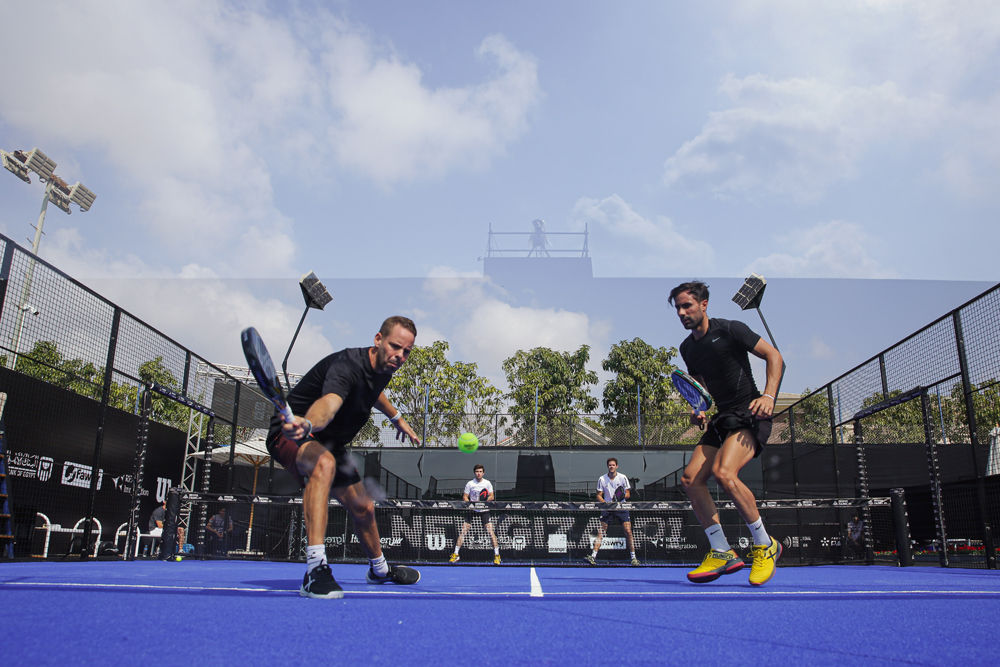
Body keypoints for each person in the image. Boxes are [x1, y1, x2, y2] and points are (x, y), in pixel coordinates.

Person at [266, 316, 422, 599]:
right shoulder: (346, 365)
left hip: (330, 442)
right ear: (378, 340)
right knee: (323, 464)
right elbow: (329, 404)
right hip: (296, 433)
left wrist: (397, 418)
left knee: (364, 507)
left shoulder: (385, 366)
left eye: (406, 351)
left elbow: (375, 392)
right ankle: (315, 571)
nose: (400, 356)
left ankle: (379, 570)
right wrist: (309, 424)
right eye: (395, 346)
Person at [670, 281, 784, 586]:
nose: (682, 312)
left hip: (750, 414)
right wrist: (700, 409)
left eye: (687, 306)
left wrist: (769, 397)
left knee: (724, 472)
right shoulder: (687, 348)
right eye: (678, 308)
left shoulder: (731, 329)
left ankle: (765, 545)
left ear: (703, 305)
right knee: (691, 480)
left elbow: (775, 357)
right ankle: (722, 550)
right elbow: (701, 388)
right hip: (722, 419)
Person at [585, 458, 640, 566]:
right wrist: (607, 503)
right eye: (610, 465)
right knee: (601, 532)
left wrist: (621, 497)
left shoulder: (623, 478)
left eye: (613, 465)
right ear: (608, 467)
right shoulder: (602, 479)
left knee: (628, 531)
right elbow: (598, 496)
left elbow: (628, 494)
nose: (611, 467)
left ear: (617, 466)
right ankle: (593, 557)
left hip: (621, 507)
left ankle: (634, 558)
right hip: (608, 508)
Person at [450, 464, 501, 564]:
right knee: (463, 531)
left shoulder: (487, 483)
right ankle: (456, 554)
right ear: (475, 473)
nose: (479, 473)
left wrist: (483, 501)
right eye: (477, 471)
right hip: (472, 510)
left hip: (484, 510)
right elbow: (465, 496)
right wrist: (471, 504)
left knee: (491, 533)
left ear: (483, 473)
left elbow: (492, 496)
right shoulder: (470, 484)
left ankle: (497, 556)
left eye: (480, 471)